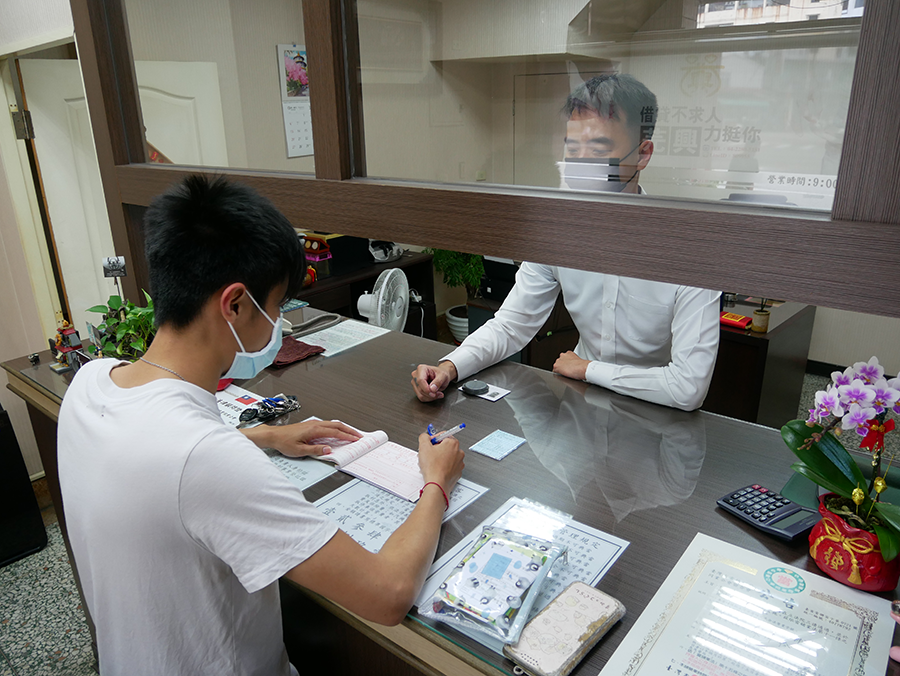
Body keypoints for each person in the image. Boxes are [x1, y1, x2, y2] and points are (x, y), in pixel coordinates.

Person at [57, 175, 465, 676]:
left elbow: (156, 462)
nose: (280, 325)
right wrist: (436, 482)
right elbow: (387, 594)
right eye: (275, 307)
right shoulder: (205, 460)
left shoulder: (92, 383)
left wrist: (266, 435)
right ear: (234, 304)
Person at [411, 74, 720, 412]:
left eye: (599, 149)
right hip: (580, 404)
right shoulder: (557, 236)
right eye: (573, 149)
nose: (582, 162)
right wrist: (449, 367)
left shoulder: (689, 250)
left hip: (655, 414)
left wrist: (589, 369)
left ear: (642, 154)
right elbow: (512, 324)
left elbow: (688, 387)